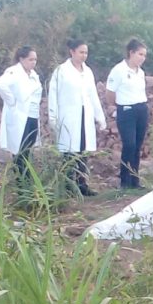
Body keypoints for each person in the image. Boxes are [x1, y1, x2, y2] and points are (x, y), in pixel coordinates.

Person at [48, 39, 107, 197]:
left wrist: (99, 116)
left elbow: (93, 95)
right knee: (69, 151)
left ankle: (82, 184)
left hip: (84, 115)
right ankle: (68, 185)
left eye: (86, 52)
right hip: (68, 116)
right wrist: (53, 117)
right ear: (72, 52)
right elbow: (53, 95)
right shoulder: (61, 71)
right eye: (81, 52)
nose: (84, 55)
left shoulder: (87, 71)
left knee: (83, 151)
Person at [0, 46, 42, 191]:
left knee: (28, 149)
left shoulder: (33, 74)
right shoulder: (14, 72)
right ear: (21, 59)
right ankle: (21, 183)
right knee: (19, 150)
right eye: (30, 59)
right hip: (20, 116)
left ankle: (28, 180)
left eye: (35, 60)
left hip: (32, 115)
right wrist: (11, 101)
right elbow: (0, 84)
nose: (33, 62)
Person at [106, 38, 149, 190]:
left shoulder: (141, 73)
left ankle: (135, 180)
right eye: (140, 54)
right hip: (126, 110)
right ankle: (124, 181)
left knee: (137, 146)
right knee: (129, 145)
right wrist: (117, 105)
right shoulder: (119, 70)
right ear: (131, 53)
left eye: (144, 55)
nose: (142, 58)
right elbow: (110, 92)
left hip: (141, 109)